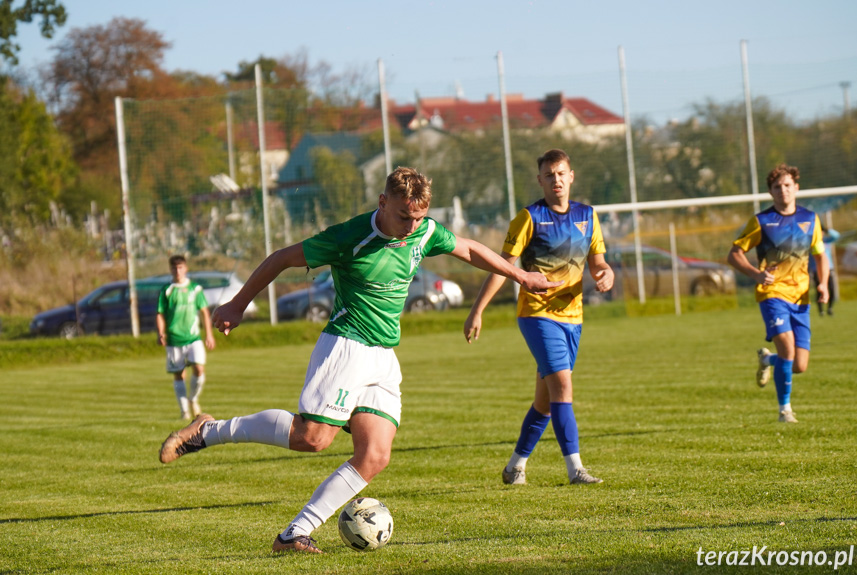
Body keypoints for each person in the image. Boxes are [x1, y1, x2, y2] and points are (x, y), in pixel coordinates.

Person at [158, 167, 561, 554]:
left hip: (384, 356)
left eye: (419, 217)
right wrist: (237, 304)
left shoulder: (423, 231)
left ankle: (294, 534)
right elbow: (281, 257)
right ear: (383, 202)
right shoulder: (349, 236)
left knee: (375, 455)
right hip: (346, 345)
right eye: (404, 216)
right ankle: (208, 431)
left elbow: (469, 248)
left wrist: (521, 276)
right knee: (311, 438)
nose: (412, 225)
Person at [463, 149, 614, 486]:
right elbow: (502, 267)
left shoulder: (588, 215)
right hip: (536, 314)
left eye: (561, 173)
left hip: (573, 317)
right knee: (563, 385)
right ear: (540, 180)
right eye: (549, 175)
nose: (556, 180)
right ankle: (576, 469)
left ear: (571, 176)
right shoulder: (529, 217)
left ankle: (515, 466)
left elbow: (598, 263)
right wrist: (478, 310)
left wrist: (606, 273)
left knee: (545, 402)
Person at [727, 163, 829, 423]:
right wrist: (756, 274)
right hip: (772, 293)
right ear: (770, 192)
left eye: (787, 185)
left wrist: (823, 283)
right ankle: (785, 410)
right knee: (787, 348)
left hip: (801, 297)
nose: (783, 190)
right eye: (777, 187)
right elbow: (734, 254)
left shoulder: (811, 219)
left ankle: (767, 360)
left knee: (799, 365)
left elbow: (821, 255)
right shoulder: (761, 221)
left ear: (796, 187)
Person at [156, 255, 216, 419]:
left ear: (186, 268)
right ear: (170, 270)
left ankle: (193, 399)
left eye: (181, 267)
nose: (178, 271)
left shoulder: (195, 289)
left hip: (193, 337)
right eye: (174, 268)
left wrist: (209, 334)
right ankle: (184, 411)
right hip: (174, 339)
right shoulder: (167, 290)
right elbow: (160, 314)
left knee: (199, 368)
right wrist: (161, 332)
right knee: (179, 374)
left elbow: (204, 311)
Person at [810, 222, 840, 316]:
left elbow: (836, 236)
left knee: (831, 289)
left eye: (822, 231)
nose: (821, 233)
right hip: (816, 270)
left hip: (829, 268)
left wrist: (827, 229)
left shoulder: (826, 241)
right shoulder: (811, 243)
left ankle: (830, 308)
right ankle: (821, 310)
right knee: (819, 290)